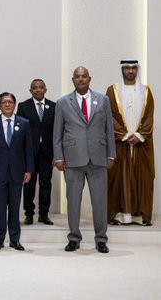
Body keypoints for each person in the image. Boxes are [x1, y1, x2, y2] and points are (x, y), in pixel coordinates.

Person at [53, 66, 115, 253]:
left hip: (98, 157)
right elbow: (57, 133)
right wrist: (58, 157)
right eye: (77, 76)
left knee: (100, 201)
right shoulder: (63, 102)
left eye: (84, 76)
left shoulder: (103, 100)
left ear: (89, 79)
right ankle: (74, 238)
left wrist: (111, 154)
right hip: (73, 159)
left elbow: (109, 129)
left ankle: (101, 239)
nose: (81, 79)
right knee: (73, 201)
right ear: (73, 80)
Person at [0, 93, 34, 250]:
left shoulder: (24, 123)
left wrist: (29, 170)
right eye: (4, 102)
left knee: (14, 207)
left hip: (17, 172)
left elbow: (28, 149)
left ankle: (15, 240)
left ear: (14, 104)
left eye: (10, 102)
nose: (7, 104)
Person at [106, 60, 155, 226]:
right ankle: (120, 215)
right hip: (120, 143)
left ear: (137, 70)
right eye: (127, 68)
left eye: (133, 68)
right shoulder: (112, 91)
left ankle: (140, 216)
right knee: (118, 179)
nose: (130, 71)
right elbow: (109, 116)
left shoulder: (146, 91)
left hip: (141, 144)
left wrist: (139, 135)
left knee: (143, 178)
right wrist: (125, 135)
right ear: (122, 70)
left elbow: (149, 116)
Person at [17, 79, 55, 224]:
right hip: (29, 153)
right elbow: (19, 132)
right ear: (30, 90)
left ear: (45, 89)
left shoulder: (54, 106)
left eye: (41, 87)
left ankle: (44, 214)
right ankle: (29, 214)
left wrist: (57, 154)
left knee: (46, 184)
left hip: (47, 153)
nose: (38, 90)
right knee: (29, 184)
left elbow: (57, 131)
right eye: (35, 88)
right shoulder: (23, 106)